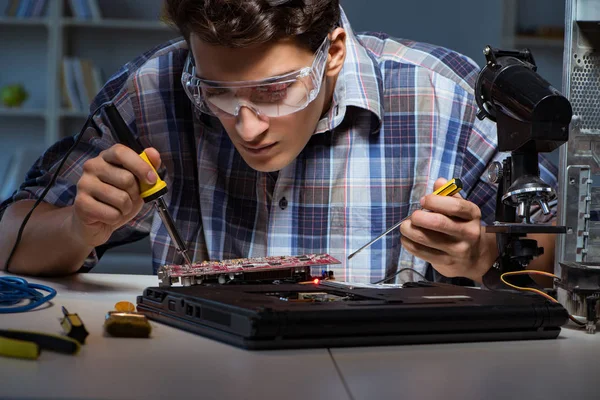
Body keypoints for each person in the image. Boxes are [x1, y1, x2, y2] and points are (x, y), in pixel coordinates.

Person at [0, 0, 557, 285]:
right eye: (214, 91)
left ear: (332, 51)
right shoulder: (152, 89)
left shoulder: (447, 95)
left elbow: (560, 263)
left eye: (274, 90)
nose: (247, 127)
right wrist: (79, 227)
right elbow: (9, 237)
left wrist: (484, 253)